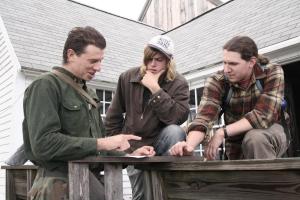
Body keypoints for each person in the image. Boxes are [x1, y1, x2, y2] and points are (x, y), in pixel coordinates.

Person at [23, 26, 155, 200]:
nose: (99, 67)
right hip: (58, 185)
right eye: (93, 61)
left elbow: (96, 149)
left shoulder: (89, 94)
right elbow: (43, 144)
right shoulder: (45, 86)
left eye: (100, 61)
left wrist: (130, 155)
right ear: (71, 55)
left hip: (92, 181)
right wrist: (102, 143)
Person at [170, 36, 288, 160]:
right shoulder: (217, 81)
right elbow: (204, 117)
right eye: (225, 63)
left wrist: (222, 132)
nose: (226, 69)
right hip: (235, 145)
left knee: (255, 138)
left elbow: (263, 115)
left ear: (252, 62)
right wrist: (189, 146)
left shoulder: (272, 72)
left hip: (269, 132)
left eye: (233, 64)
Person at [104, 35, 190, 199]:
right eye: (149, 59)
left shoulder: (179, 82)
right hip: (135, 146)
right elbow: (112, 119)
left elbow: (178, 117)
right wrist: (128, 151)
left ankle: (171, 184)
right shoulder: (127, 77)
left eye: (158, 60)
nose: (152, 64)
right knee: (142, 196)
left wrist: (155, 89)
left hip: (162, 144)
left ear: (169, 60)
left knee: (174, 131)